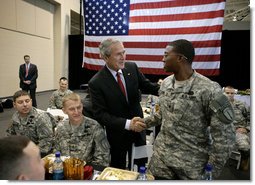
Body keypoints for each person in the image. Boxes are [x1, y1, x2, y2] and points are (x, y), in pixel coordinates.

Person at [136, 39, 236, 179]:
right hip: (161, 162)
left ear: (180, 58)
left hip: (191, 167)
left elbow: (225, 137)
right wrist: (144, 122)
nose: (162, 59)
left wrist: (211, 171)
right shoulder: (165, 84)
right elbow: (163, 114)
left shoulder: (210, 89)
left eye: (166, 55)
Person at [88, 38, 160, 170]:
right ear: (105, 57)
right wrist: (128, 124)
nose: (123, 57)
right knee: (118, 169)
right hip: (117, 136)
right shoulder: (96, 82)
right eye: (118, 54)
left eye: (124, 52)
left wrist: (168, 87)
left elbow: (149, 86)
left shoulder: (132, 67)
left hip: (139, 131)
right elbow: (101, 115)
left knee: (141, 166)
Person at [54, 93, 110, 167]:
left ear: (82, 106)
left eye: (79, 107)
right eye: (72, 109)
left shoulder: (94, 127)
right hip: (65, 169)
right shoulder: (61, 128)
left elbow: (103, 159)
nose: (76, 112)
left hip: (87, 171)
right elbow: (56, 152)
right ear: (64, 111)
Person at [6, 90, 55, 157]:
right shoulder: (15, 117)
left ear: (31, 101)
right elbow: (10, 137)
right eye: (20, 102)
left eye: (27, 101)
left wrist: (27, 153)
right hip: (24, 150)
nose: (25, 105)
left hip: (42, 153)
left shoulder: (41, 117)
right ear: (14, 105)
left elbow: (46, 141)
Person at [223, 86, 250, 170]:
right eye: (227, 93)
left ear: (235, 94)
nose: (229, 95)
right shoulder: (218, 105)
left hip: (237, 130)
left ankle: (245, 160)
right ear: (223, 93)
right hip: (221, 130)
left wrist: (246, 128)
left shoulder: (241, 105)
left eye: (232, 93)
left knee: (244, 146)